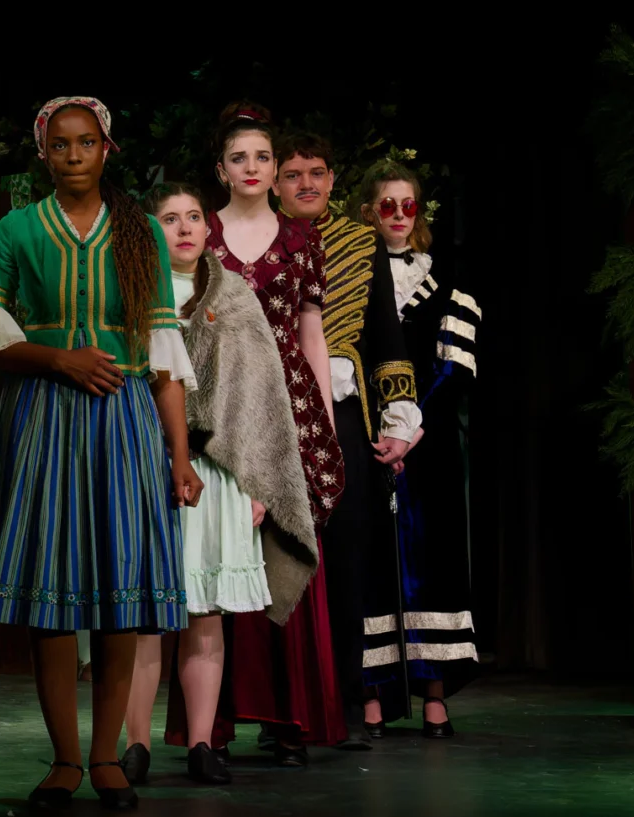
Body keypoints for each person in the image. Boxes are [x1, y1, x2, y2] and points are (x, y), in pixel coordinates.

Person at [0, 96, 198, 809]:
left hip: (125, 418)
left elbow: (166, 360)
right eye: (61, 145)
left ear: (107, 149)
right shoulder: (17, 229)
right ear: (45, 153)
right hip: (45, 416)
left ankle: (107, 757)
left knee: (117, 594)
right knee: (53, 597)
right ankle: (62, 760)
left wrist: (180, 457)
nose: (74, 154)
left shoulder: (142, 230)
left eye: (87, 143)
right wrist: (59, 360)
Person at [120, 183, 323, 785]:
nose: (183, 228)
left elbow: (261, 399)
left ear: (208, 230)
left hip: (221, 473)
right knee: (146, 616)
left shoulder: (235, 296)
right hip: (147, 466)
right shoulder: (132, 294)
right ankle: (135, 745)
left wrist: (260, 480)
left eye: (192, 218)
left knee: (205, 614)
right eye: (168, 219)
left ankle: (203, 743)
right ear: (151, 231)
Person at [180, 103, 348, 766]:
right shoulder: (201, 233)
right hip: (217, 408)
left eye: (262, 158)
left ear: (275, 170)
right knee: (214, 554)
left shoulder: (300, 240)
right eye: (239, 158)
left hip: (289, 410)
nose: (252, 167)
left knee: (284, 545)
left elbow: (311, 335)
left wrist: (326, 432)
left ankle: (288, 718)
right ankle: (210, 726)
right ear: (222, 168)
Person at [274, 133, 420, 749]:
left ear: (333, 181)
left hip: (347, 414)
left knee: (350, 558)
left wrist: (399, 420)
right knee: (284, 561)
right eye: (294, 174)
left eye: (317, 173)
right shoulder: (262, 243)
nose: (306, 183)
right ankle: (286, 709)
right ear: (276, 182)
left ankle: (349, 701)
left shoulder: (362, 245)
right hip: (276, 417)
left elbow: (386, 335)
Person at [357, 161, 480, 738]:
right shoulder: (352, 278)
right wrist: (379, 431)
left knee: (434, 563)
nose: (400, 216)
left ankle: (435, 693)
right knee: (373, 563)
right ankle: (372, 696)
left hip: (427, 446)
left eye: (409, 206)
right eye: (388, 205)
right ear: (368, 212)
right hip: (367, 440)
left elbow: (455, 365)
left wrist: (412, 428)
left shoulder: (448, 277)